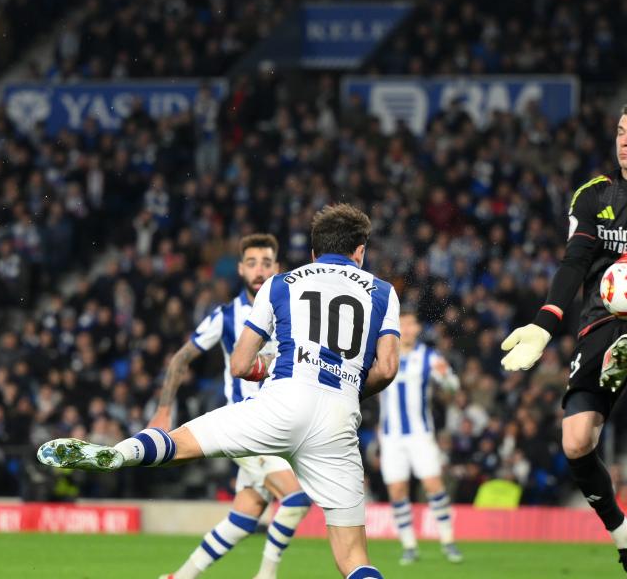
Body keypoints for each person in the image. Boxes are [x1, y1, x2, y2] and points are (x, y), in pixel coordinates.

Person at [39, 204, 400, 579]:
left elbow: (240, 365)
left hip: (280, 403)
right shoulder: (383, 292)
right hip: (338, 419)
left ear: (313, 252)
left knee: (180, 444)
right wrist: (348, 387)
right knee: (353, 557)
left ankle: (120, 454)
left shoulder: (280, 284)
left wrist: (268, 365)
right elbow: (387, 368)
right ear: (360, 251)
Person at [500, 101, 627, 578]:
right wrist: (544, 324)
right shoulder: (591, 194)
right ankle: (626, 537)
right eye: (620, 131)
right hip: (600, 320)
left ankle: (625, 349)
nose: (624, 140)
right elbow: (574, 262)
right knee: (575, 442)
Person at [148, 234, 311, 579]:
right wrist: (164, 410)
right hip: (247, 425)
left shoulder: (293, 312)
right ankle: (266, 575)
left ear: (278, 267)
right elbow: (181, 358)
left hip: (281, 423)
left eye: (266, 263)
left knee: (244, 516)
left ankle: (178, 577)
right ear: (240, 269)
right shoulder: (225, 316)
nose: (259, 270)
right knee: (295, 498)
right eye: (252, 263)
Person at [378, 309, 463, 565]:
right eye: (401, 324)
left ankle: (448, 541)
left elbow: (452, 387)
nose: (406, 329)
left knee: (433, 485)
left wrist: (447, 380)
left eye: (410, 324)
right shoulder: (382, 354)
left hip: (420, 434)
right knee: (397, 490)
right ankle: (409, 545)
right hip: (390, 436)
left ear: (416, 329)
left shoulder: (428, 356)